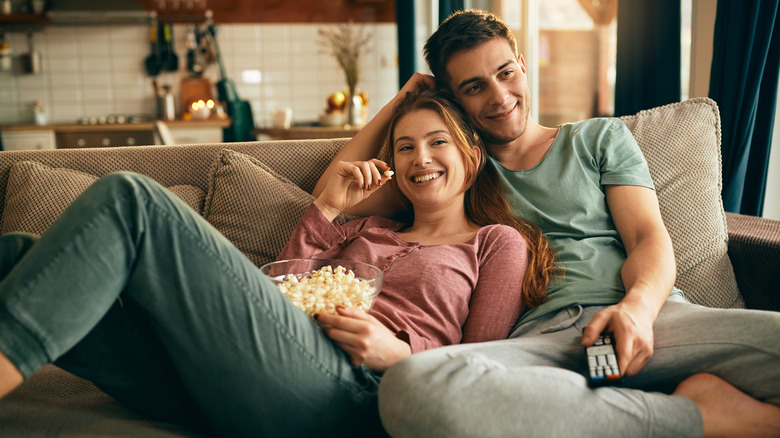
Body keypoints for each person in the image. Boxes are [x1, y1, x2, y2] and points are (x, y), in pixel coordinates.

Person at [314, 9, 780, 438]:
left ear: (521, 63)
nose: (499, 97)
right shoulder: (454, 169)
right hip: (536, 345)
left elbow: (647, 237)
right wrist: (407, 98)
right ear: (452, 99)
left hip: (650, 318)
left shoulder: (599, 138)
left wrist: (636, 309)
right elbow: (335, 193)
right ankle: (697, 416)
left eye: (505, 73)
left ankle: (601, 412)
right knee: (411, 388)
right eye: (474, 87)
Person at [0, 88, 556, 437]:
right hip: (248, 376)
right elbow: (282, 291)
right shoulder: (365, 229)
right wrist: (329, 207)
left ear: (473, 154)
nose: (420, 158)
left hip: (351, 394)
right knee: (17, 253)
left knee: (133, 200)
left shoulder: (496, 243)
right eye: (404, 146)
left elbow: (488, 368)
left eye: (438, 142)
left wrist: (400, 354)